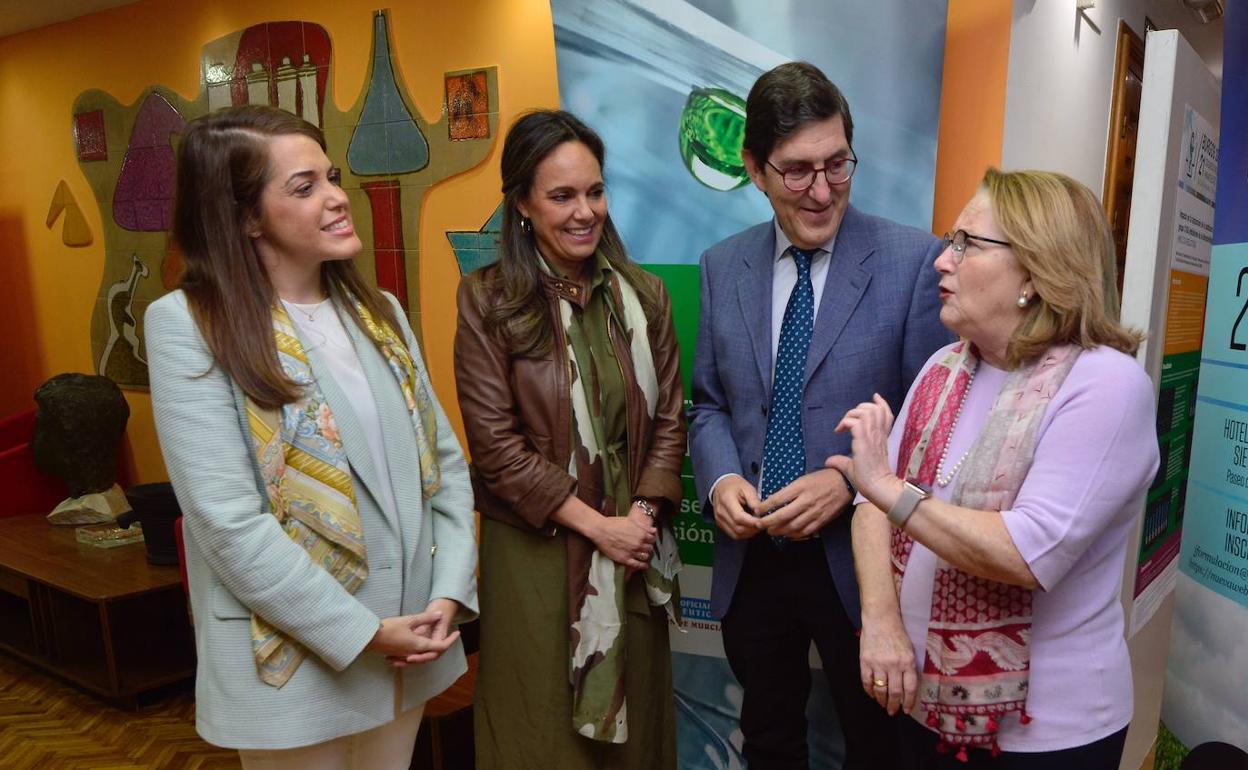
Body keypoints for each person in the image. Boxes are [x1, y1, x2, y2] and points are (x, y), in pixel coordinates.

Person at [145, 105, 477, 769]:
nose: (335, 199)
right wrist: (364, 632)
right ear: (242, 216)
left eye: (330, 177)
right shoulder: (187, 323)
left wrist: (448, 593)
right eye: (303, 188)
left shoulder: (377, 313)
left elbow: (444, 467)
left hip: (408, 645)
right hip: (296, 657)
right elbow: (227, 523)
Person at [829, 168, 1159, 768]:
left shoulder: (1106, 386)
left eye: (966, 244)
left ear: (1035, 273)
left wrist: (883, 486)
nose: (940, 262)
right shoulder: (944, 368)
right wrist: (879, 622)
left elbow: (1026, 554)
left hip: (1046, 736)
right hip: (919, 706)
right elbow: (868, 508)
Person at [688, 60, 951, 769]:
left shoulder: (913, 262)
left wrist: (850, 482)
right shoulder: (722, 266)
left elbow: (933, 424)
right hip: (754, 559)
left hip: (859, 565)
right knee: (769, 739)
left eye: (838, 164)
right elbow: (709, 404)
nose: (822, 189)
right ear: (754, 169)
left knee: (875, 744)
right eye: (798, 170)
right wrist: (719, 485)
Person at [454, 109, 686, 769]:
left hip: (632, 552)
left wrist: (638, 517)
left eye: (594, 191)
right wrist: (597, 526)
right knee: (542, 734)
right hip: (537, 552)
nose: (585, 212)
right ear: (523, 204)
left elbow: (670, 422)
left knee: (634, 734)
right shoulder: (488, 302)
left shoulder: (646, 297)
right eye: (562, 196)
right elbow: (496, 449)